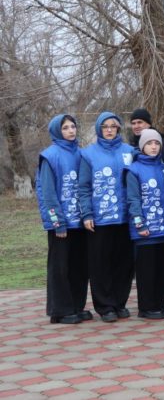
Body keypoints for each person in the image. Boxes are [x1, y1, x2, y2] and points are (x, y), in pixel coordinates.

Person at [78, 112, 135, 322]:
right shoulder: (88, 154)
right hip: (100, 219)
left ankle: (119, 302)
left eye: (114, 126)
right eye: (105, 127)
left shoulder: (130, 152)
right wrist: (87, 213)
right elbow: (83, 187)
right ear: (99, 129)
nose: (110, 130)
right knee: (100, 264)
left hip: (125, 218)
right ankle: (105, 306)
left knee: (124, 263)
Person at [36, 114, 89, 324]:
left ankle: (76, 306)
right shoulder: (50, 156)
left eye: (73, 126)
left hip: (80, 222)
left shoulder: (81, 153)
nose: (71, 131)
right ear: (57, 131)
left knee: (79, 266)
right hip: (62, 224)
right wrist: (57, 221)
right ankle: (60, 309)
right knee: (60, 267)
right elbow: (47, 192)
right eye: (66, 128)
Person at [124, 129, 164, 319]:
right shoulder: (133, 170)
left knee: (163, 269)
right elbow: (133, 200)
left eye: (157, 144)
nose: (153, 147)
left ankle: (160, 304)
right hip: (145, 232)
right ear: (142, 146)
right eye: (149, 144)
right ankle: (146, 307)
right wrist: (139, 224)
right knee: (147, 271)